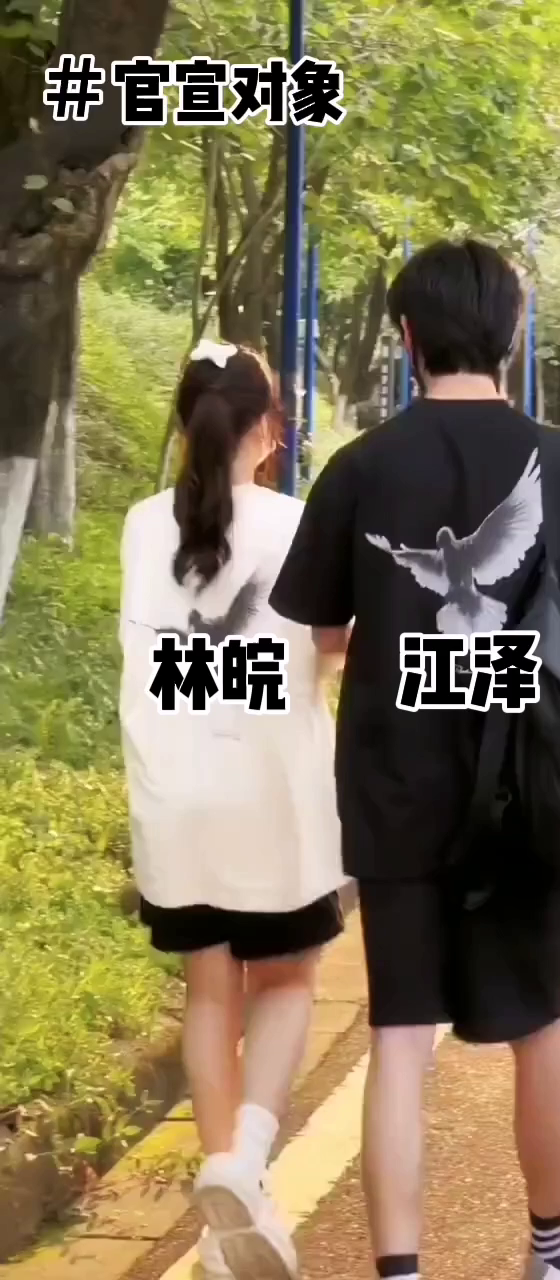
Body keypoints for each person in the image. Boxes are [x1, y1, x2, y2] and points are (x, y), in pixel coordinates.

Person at [269, 241, 560, 1280]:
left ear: (407, 339)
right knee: (538, 1028)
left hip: (395, 789)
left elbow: (323, 631)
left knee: (398, 1034)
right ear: (511, 337)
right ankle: (552, 1247)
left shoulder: (361, 467)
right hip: (532, 788)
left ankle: (400, 1270)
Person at [118, 341, 345, 1280]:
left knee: (209, 992)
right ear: (268, 430)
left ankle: (225, 1232)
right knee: (286, 981)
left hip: (174, 799)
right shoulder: (298, 523)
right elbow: (334, 642)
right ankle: (245, 1159)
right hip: (270, 795)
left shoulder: (141, 526)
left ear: (185, 423)